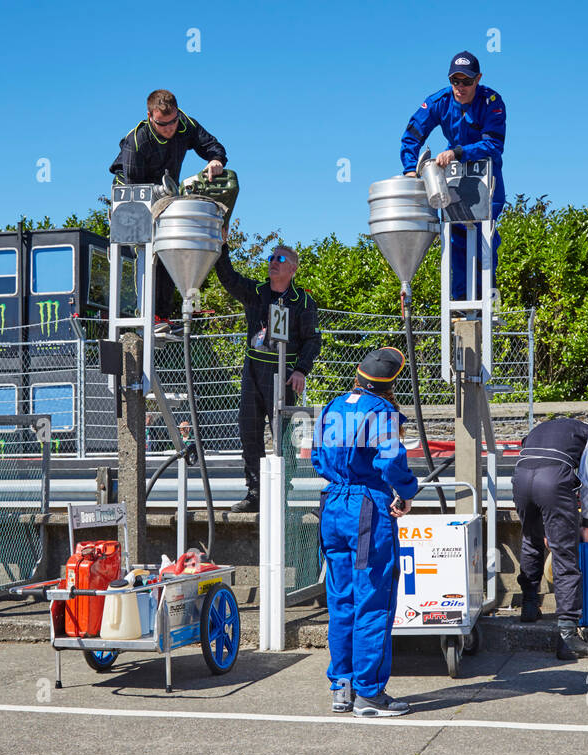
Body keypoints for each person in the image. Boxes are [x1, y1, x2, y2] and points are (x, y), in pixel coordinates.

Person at [313, 347, 420, 717]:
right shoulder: (383, 411)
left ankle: (341, 688)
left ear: (358, 375)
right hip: (366, 508)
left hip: (331, 504)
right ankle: (370, 694)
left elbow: (316, 458)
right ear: (391, 383)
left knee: (341, 599)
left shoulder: (332, 406)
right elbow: (390, 463)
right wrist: (407, 492)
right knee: (373, 599)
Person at [214, 229, 320, 513]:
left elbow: (313, 339)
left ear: (293, 268)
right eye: (271, 256)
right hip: (253, 370)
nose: (273, 260)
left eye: (280, 257)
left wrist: (301, 370)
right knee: (249, 431)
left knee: (282, 435)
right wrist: (222, 247)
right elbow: (229, 279)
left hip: (282, 374)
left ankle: (282, 493)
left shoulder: (302, 301)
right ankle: (256, 492)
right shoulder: (256, 292)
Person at [109, 89, 227, 327]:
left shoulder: (184, 123)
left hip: (166, 193)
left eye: (172, 121)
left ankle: (161, 316)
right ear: (150, 116)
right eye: (163, 124)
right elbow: (135, 188)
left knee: (170, 246)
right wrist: (156, 199)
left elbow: (213, 145)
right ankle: (145, 314)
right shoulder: (137, 141)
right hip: (132, 195)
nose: (170, 128)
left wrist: (216, 160)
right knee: (145, 247)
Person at [400, 51, 506, 302]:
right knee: (455, 236)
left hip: (487, 182)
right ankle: (459, 304)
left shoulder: (492, 102)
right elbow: (412, 135)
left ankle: (486, 300)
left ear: (478, 79)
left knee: (485, 236)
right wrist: (409, 168)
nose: (460, 87)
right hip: (455, 181)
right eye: (455, 81)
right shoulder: (440, 101)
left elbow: (494, 146)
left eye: (467, 81)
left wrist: (459, 152)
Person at [513, 415, 588, 659]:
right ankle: (568, 638)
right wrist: (587, 522)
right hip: (552, 482)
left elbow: (529, 459)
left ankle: (529, 606)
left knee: (531, 541)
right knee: (565, 554)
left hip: (520, 480)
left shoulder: (537, 429)